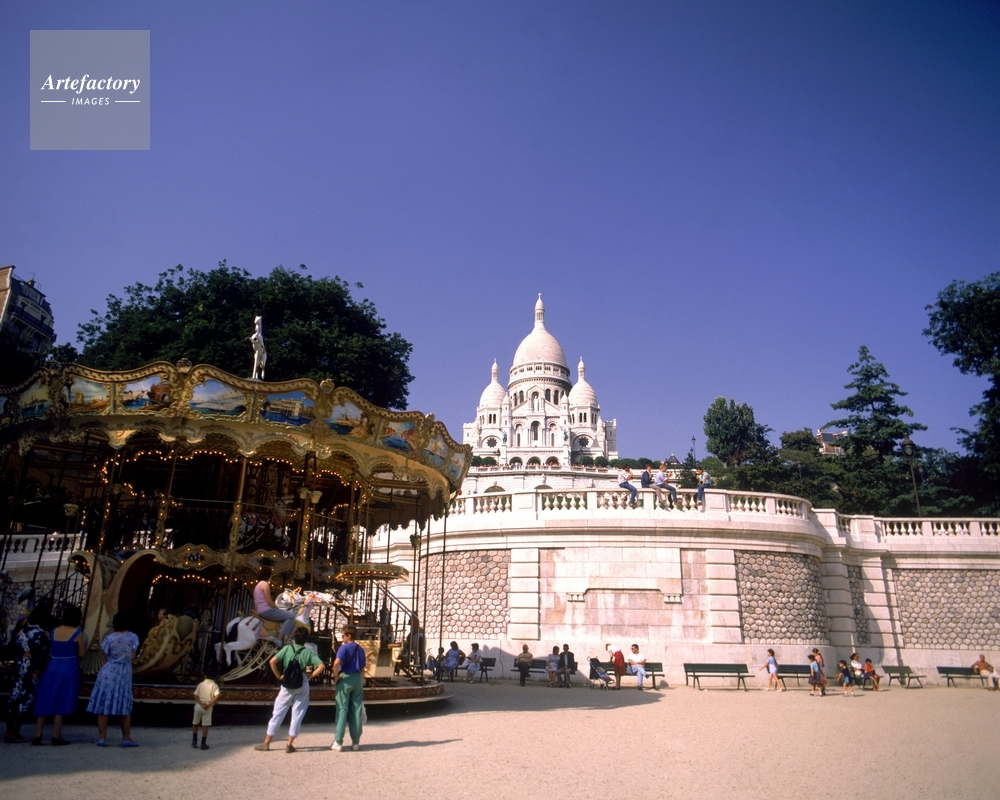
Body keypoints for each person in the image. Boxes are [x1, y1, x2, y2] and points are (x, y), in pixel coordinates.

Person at [254, 626, 324, 753]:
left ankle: (267, 742)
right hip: (301, 682)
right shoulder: (308, 652)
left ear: (294, 637)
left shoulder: (287, 649)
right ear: (306, 639)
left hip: (287, 682)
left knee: (278, 712)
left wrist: (279, 676)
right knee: (297, 714)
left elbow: (272, 662)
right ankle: (289, 744)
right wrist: (310, 676)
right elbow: (321, 666)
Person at [33, 605, 86, 746]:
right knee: (62, 698)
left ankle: (38, 734)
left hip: (53, 664)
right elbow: (81, 653)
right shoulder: (78, 633)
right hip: (69, 666)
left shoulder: (54, 631)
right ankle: (56, 735)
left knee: (46, 696)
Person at [87, 611, 140, 747]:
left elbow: (105, 656)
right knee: (124, 706)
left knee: (103, 705)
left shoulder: (109, 638)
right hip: (124, 672)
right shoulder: (133, 637)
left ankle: (102, 737)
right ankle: (126, 737)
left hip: (109, 670)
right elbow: (133, 655)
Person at [4, 605, 51, 743]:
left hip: (19, 667)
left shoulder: (21, 632)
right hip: (33, 669)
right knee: (26, 700)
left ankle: (8, 730)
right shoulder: (43, 634)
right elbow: (45, 653)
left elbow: (14, 648)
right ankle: (15, 730)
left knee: (14, 698)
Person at [331, 623, 366, 752]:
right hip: (357, 678)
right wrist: (362, 680)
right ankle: (355, 742)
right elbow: (363, 668)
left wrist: (336, 676)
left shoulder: (343, 648)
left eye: (343, 635)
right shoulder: (360, 649)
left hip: (345, 678)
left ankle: (338, 741)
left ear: (348, 636)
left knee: (342, 710)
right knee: (356, 710)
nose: (342, 638)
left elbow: (336, 663)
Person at [253, 566, 297, 638]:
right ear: (269, 576)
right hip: (266, 610)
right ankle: (280, 638)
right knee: (291, 615)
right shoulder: (265, 584)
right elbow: (269, 602)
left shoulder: (257, 585)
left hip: (259, 610)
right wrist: (278, 608)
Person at [192, 669, 220, 749]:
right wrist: (209, 704)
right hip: (208, 706)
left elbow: (195, 695)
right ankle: (203, 743)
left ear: (205, 676)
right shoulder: (214, 685)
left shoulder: (201, 684)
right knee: (205, 725)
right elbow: (217, 695)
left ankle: (194, 740)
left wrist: (201, 703)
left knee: (195, 723)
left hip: (199, 705)